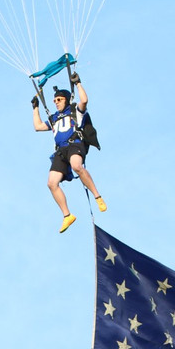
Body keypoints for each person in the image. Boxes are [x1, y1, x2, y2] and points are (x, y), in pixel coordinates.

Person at [32, 72, 107, 233]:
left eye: (59, 100)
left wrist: (78, 83)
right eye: (54, 100)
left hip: (74, 145)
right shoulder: (54, 118)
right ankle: (67, 215)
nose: (56, 102)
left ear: (66, 99)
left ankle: (97, 196)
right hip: (61, 152)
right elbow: (38, 127)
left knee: (76, 166)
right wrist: (35, 108)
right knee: (51, 183)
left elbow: (84, 101)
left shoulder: (74, 111)